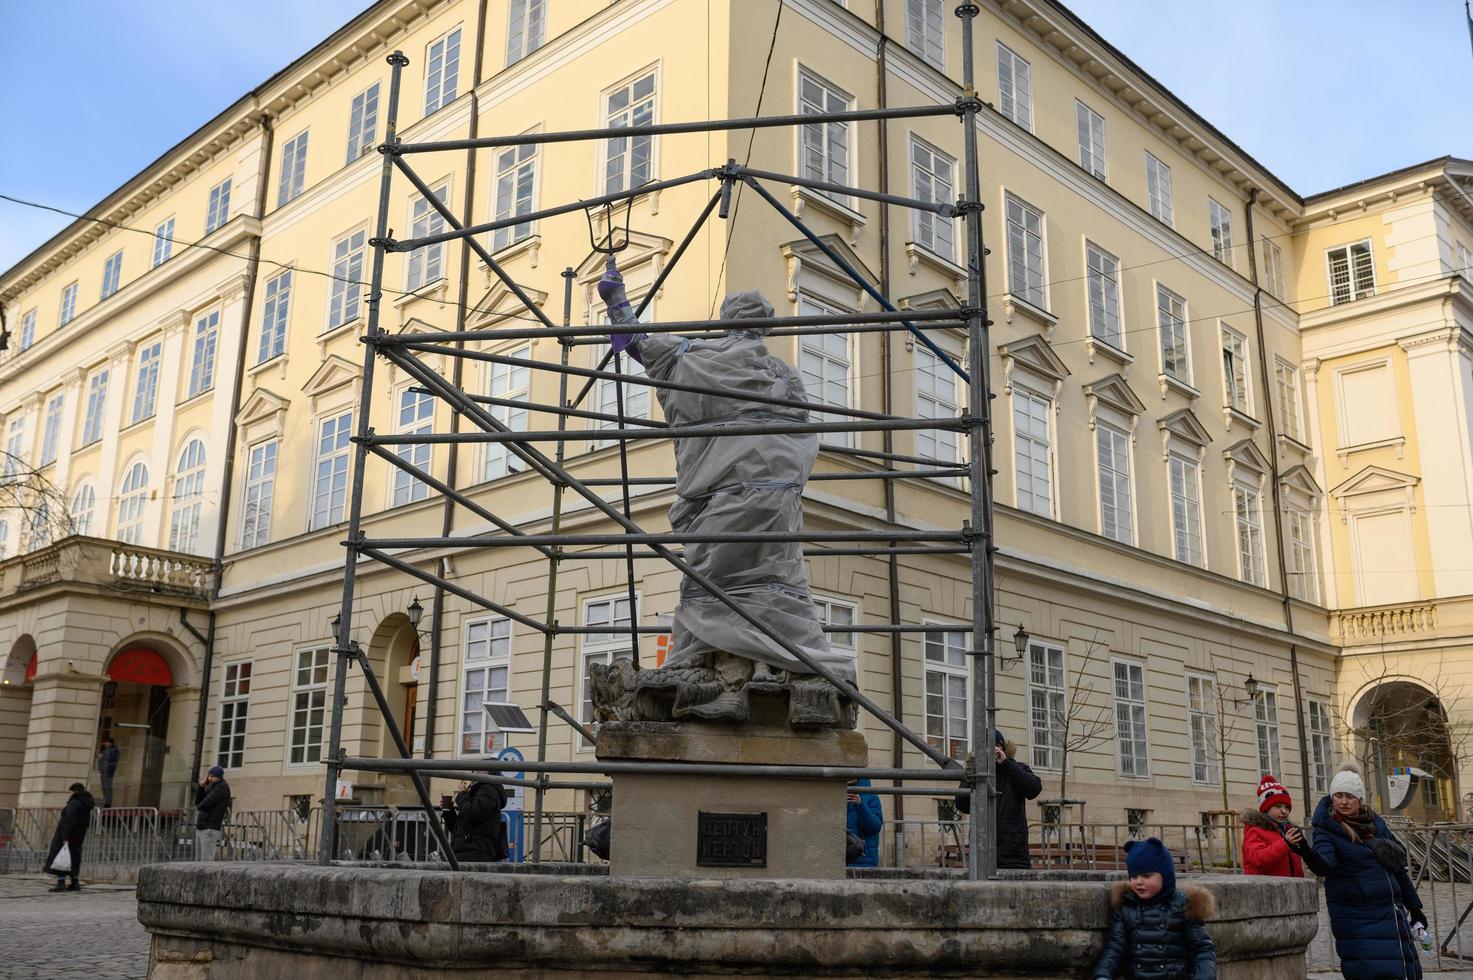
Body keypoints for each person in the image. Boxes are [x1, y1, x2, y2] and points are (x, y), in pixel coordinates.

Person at [1312, 761, 1425, 980]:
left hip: (1392, 916)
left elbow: (1398, 870)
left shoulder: (1375, 823)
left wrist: (1415, 908)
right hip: (1359, 920)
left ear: (1360, 799)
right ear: (1332, 797)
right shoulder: (1326, 829)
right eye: (1338, 795)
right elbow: (1324, 864)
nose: (1344, 801)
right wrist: (1305, 851)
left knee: (1405, 971)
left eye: (1350, 796)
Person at [1092, 837, 1216, 980]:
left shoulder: (1184, 906)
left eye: (1146, 875)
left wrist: (1204, 976)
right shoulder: (1126, 907)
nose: (1139, 882)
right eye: (1133, 876)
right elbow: (1115, 948)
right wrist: (1103, 975)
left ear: (1165, 876)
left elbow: (1202, 949)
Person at [953, 729, 1044, 869]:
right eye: (983, 747)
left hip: (1014, 855)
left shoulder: (1016, 768)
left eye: (993, 746)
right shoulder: (976, 773)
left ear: (1002, 748)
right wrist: (974, 768)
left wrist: (1006, 763)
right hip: (982, 851)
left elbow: (1033, 789)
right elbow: (962, 805)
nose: (989, 751)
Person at [1241, 774, 1326, 878]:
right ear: (1265, 808)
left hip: (1290, 888)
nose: (1284, 811)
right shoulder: (1254, 830)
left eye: (1287, 807)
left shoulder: (1288, 829)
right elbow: (1258, 859)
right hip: (1265, 890)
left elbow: (1296, 865)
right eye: (1278, 806)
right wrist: (1285, 843)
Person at [43, 782, 95, 892]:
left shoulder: (75, 803)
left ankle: (61, 882)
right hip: (79, 835)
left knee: (61, 856)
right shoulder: (86, 803)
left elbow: (69, 820)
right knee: (74, 857)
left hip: (68, 834)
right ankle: (74, 882)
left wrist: (65, 836)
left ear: (75, 791)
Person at [443, 778, 509, 863]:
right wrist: (449, 811)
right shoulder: (473, 794)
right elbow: (458, 829)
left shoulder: (489, 790)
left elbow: (473, 814)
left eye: (476, 770)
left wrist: (462, 795)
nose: (472, 774)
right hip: (465, 852)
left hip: (476, 852)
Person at [194, 765, 232, 861]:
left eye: (212, 776)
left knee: (206, 860)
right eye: (209, 775)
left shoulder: (222, 787)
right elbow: (198, 802)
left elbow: (204, 804)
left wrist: (199, 806)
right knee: (198, 860)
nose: (209, 778)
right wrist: (201, 787)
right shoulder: (211, 786)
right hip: (202, 826)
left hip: (210, 827)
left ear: (218, 776)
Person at [845, 778, 883, 867]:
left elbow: (874, 827)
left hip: (863, 858)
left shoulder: (871, 796)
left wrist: (860, 805)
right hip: (840, 859)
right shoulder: (837, 793)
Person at [95, 737, 119, 809]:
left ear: (110, 743)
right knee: (105, 787)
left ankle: (108, 803)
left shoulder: (113, 751)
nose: (105, 743)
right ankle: (107, 802)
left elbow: (107, 760)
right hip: (105, 771)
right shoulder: (107, 750)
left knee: (107, 787)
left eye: (106, 742)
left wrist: (101, 756)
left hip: (108, 771)